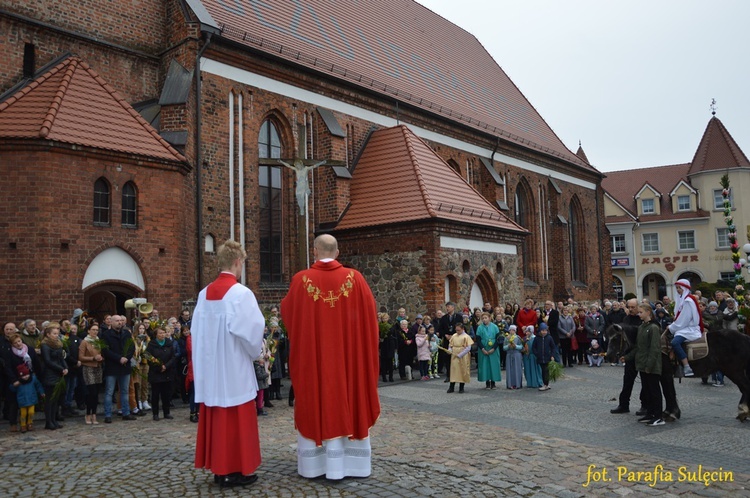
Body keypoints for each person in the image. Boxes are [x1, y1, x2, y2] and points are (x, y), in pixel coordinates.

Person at [282, 234, 380, 480]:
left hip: (314, 362)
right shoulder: (355, 279)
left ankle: (315, 466)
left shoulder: (300, 280)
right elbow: (370, 320)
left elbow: (288, 316)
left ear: (314, 251)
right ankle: (352, 465)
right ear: (337, 253)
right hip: (348, 362)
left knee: (316, 395)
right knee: (349, 394)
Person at [193, 240, 265, 488]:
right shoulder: (241, 294)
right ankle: (236, 469)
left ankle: (219, 468)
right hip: (234, 368)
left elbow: (197, 333)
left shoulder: (203, 295)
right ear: (238, 262)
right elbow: (252, 334)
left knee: (216, 416)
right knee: (237, 420)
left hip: (212, 371)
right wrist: (256, 353)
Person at [622, 305, 664, 426]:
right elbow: (638, 347)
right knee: (647, 391)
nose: (638, 314)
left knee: (654, 391)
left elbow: (654, 349)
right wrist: (628, 357)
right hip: (642, 365)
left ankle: (658, 416)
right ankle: (650, 413)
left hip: (651, 366)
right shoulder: (642, 327)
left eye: (641, 312)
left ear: (648, 312)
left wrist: (649, 365)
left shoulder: (653, 328)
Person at [610, 298, 644, 414]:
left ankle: (644, 405)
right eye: (629, 307)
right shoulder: (627, 318)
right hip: (630, 353)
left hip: (641, 353)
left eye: (633, 307)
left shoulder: (642, 319)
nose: (630, 309)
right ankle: (624, 404)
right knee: (627, 381)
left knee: (645, 382)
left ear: (638, 307)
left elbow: (638, 332)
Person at [667, 279, 703, 377]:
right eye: (677, 288)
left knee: (675, 342)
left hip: (689, 328)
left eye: (680, 288)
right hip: (684, 327)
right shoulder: (684, 300)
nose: (678, 290)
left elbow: (684, 319)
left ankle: (687, 366)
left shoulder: (687, 301)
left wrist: (671, 327)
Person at [40, 323, 68, 430]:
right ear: (48, 334)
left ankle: (54, 420)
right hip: (50, 373)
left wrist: (65, 368)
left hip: (58, 373)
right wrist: (61, 369)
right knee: (50, 399)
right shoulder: (45, 345)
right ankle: (48, 421)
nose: (56, 335)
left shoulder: (58, 344)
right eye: (54, 333)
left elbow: (61, 358)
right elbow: (48, 361)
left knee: (56, 399)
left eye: (57, 333)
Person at [146, 327, 176, 421]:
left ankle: (166, 412)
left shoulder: (168, 343)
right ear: (156, 334)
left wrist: (166, 366)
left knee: (166, 394)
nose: (162, 335)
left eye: (163, 333)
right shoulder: (152, 344)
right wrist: (159, 366)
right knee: (155, 394)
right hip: (156, 373)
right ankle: (155, 413)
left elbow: (173, 357)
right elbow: (148, 356)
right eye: (160, 333)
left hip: (167, 371)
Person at [78, 324, 105, 425]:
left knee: (96, 393)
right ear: (88, 331)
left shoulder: (98, 341)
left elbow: (103, 353)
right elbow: (81, 357)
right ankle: (88, 413)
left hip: (98, 367)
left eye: (97, 330)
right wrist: (93, 358)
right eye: (93, 330)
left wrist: (101, 358)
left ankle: (94, 413)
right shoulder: (84, 342)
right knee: (91, 392)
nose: (95, 332)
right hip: (88, 367)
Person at [9, 363, 45, 433]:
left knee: (31, 412)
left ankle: (30, 423)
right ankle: (23, 425)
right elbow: (12, 388)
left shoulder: (33, 379)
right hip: (22, 400)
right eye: (23, 376)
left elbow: (38, 385)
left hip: (32, 399)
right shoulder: (19, 382)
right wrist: (14, 385)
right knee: (23, 414)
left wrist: (41, 392)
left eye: (26, 375)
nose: (25, 377)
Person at [475, 312, 501, 389]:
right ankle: (487, 381)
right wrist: (482, 348)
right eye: (483, 318)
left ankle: (493, 382)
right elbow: (478, 340)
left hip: (493, 348)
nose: (484, 320)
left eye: (486, 318)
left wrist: (493, 348)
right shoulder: (480, 327)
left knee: (493, 364)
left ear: (489, 318)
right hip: (483, 347)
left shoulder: (495, 327)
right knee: (485, 365)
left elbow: (498, 339)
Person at [446, 322, 473, 393]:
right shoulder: (454, 336)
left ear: (462, 329)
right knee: (454, 370)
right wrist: (449, 350)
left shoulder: (466, 336)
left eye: (459, 330)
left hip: (463, 355)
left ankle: (461, 387)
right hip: (454, 355)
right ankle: (451, 386)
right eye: (456, 330)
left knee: (462, 370)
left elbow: (468, 348)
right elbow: (450, 345)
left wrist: (460, 354)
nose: (457, 331)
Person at [531, 322, 555, 391]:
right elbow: (534, 347)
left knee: (546, 371)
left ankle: (546, 384)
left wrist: (552, 355)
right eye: (542, 330)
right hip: (540, 357)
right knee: (543, 371)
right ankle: (545, 384)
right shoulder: (537, 338)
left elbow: (553, 347)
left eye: (545, 330)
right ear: (540, 331)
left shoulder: (549, 338)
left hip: (548, 357)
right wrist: (537, 354)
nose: (544, 332)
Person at [503, 325, 523, 389]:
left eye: (513, 330)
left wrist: (516, 346)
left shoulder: (518, 337)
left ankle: (517, 384)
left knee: (517, 369)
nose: (512, 331)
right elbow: (504, 347)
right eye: (510, 330)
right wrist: (508, 346)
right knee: (510, 369)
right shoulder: (506, 338)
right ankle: (510, 384)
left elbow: (521, 346)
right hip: (509, 355)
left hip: (516, 355)